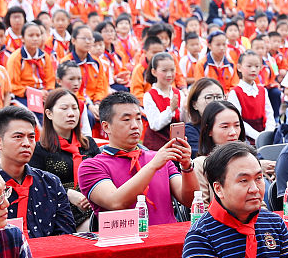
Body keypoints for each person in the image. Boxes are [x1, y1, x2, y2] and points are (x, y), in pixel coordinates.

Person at [181, 142, 288, 258]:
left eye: (258, 178)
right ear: (219, 189)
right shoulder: (201, 237)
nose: (254, 189)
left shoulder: (275, 223)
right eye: (244, 181)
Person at [77, 92, 198, 223]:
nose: (135, 125)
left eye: (138, 118)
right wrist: (153, 166)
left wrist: (187, 166)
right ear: (106, 126)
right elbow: (115, 202)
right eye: (126, 119)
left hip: (169, 239)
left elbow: (190, 200)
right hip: (125, 241)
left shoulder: (159, 158)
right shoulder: (91, 166)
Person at [0, 104, 74, 238]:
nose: (26, 143)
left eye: (31, 137)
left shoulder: (51, 182)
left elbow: (66, 234)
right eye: (18, 137)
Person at [30, 87, 100, 230]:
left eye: (75, 108)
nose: (71, 114)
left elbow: (103, 175)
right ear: (49, 114)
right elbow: (36, 186)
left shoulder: (88, 144)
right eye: (64, 108)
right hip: (60, 210)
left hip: (94, 205)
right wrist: (67, 193)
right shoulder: (39, 150)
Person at [182, 77, 225, 156]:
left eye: (219, 97)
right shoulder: (189, 131)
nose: (215, 102)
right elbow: (198, 157)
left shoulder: (231, 126)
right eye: (209, 97)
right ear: (194, 104)